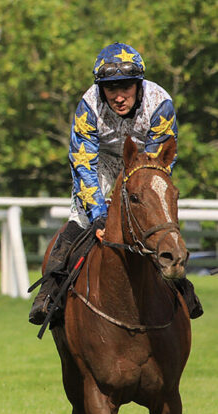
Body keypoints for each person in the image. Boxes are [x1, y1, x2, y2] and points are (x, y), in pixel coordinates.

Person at [29, 42, 202, 325]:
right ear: (101, 89)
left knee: (154, 215)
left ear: (139, 85)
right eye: (111, 89)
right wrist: (99, 216)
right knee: (79, 219)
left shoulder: (160, 103)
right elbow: (83, 162)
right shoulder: (88, 106)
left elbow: (160, 161)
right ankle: (49, 292)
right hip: (101, 162)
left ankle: (182, 286)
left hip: (145, 162)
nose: (119, 97)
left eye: (126, 88)